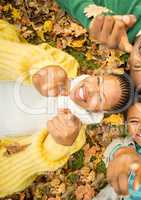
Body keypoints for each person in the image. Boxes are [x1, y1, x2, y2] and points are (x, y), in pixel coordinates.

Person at [0, 20, 131, 197]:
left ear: (100, 112)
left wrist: (57, 144)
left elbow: (12, 173)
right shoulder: (65, 65)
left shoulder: (73, 137)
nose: (90, 89)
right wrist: (40, 66)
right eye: (98, 81)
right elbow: (14, 50)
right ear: (96, 75)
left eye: (100, 98)